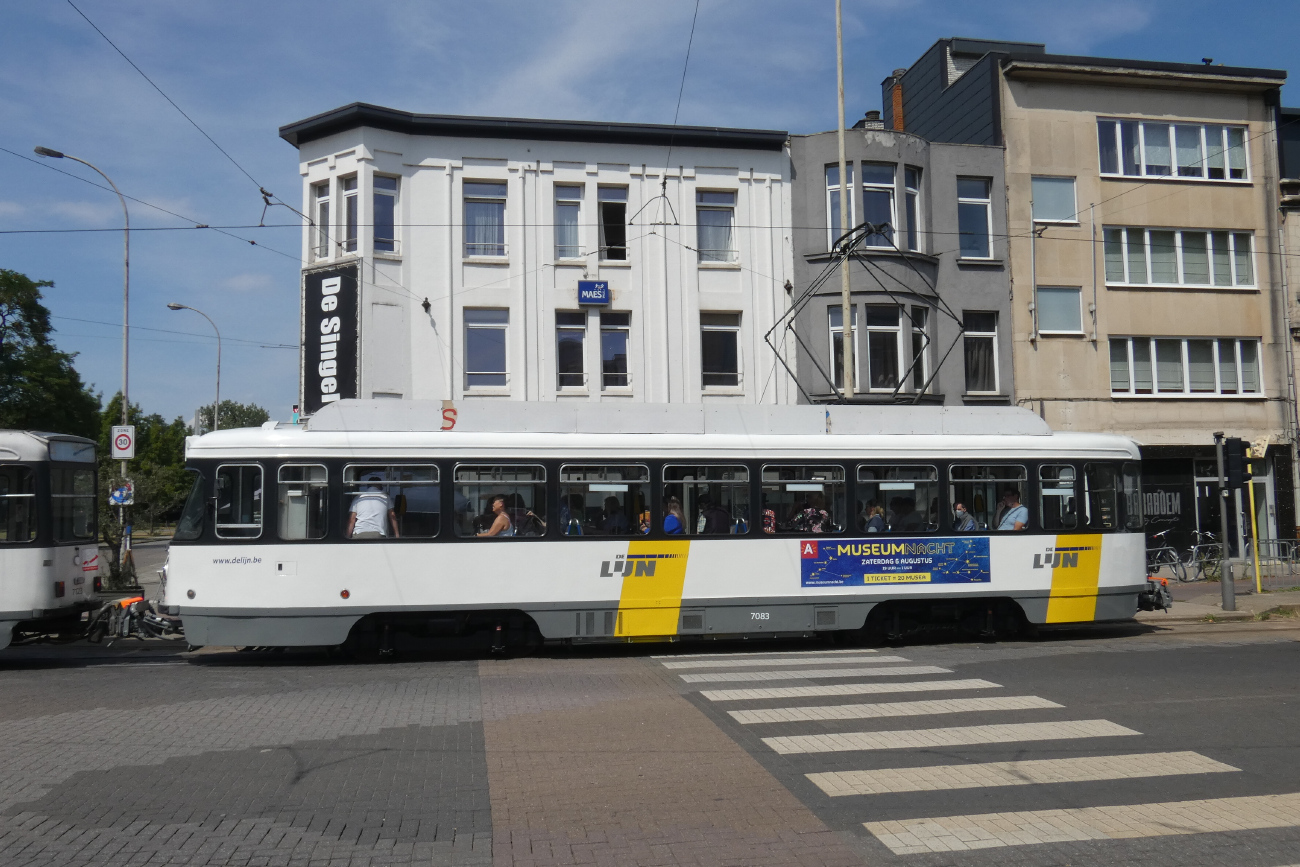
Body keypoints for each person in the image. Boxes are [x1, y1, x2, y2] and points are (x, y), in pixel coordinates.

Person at [347, 472, 400, 539]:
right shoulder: (385, 497)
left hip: (358, 534)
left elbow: (352, 519)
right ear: (380, 486)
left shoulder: (358, 497)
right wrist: (397, 535)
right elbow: (392, 516)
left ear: (368, 486)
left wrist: (347, 537)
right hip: (377, 534)